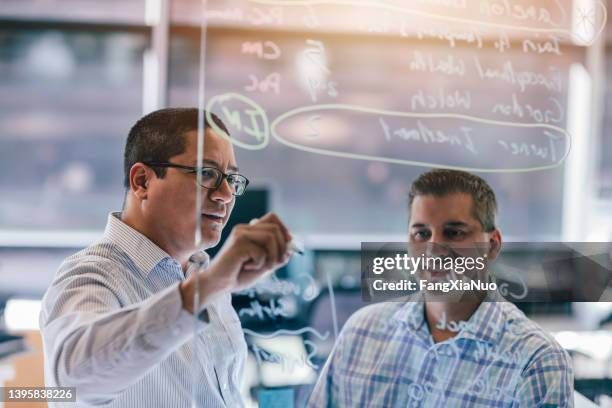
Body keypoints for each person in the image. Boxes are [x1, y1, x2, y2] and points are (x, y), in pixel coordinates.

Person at [40, 108, 294, 407]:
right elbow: (74, 381)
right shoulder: (91, 274)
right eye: (207, 174)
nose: (225, 194)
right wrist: (209, 286)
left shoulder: (200, 274)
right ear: (142, 182)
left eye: (231, 178)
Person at [308, 169, 574, 407]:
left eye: (454, 232)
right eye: (421, 234)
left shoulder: (537, 362)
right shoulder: (361, 332)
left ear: (492, 244)